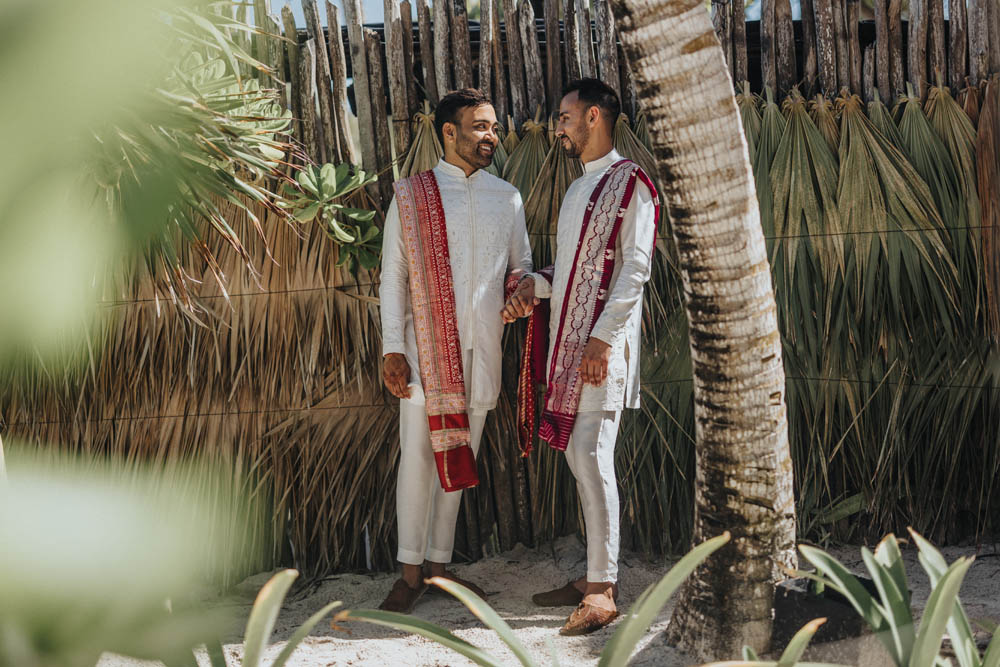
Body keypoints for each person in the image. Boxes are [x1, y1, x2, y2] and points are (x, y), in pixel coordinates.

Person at [502, 78, 660, 635]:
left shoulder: (632, 184)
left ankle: (602, 589)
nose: (558, 127)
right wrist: (534, 290)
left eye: (565, 117)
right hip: (572, 351)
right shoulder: (576, 192)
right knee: (578, 460)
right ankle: (594, 574)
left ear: (594, 116)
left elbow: (635, 270)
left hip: (601, 351)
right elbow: (569, 274)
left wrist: (601, 339)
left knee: (593, 457)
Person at [379, 88, 533, 613]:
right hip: (424, 353)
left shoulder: (506, 197)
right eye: (481, 127)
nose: (492, 136)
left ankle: (440, 570)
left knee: (460, 458)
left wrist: (523, 291)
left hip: (483, 350)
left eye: (493, 127)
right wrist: (392, 349)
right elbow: (392, 278)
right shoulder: (411, 196)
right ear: (450, 131)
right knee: (418, 461)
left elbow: (522, 269)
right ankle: (408, 573)